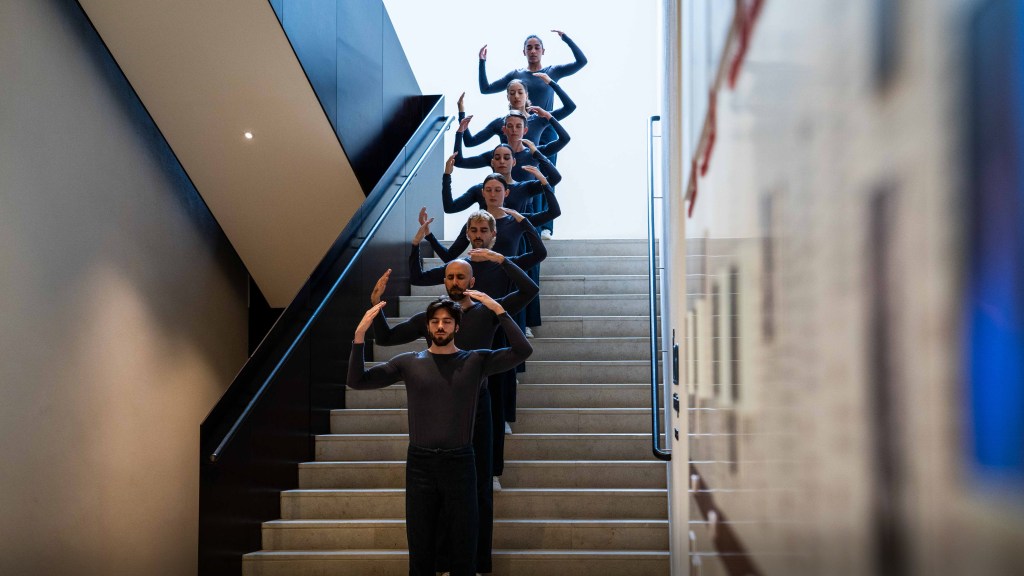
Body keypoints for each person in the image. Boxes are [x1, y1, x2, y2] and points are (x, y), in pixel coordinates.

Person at [369, 248, 538, 576]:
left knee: (477, 487)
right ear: (444, 281)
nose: (455, 281)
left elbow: (530, 290)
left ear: (471, 280)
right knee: (439, 495)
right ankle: (440, 561)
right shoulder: (434, 320)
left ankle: (474, 563)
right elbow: (387, 337)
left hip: (478, 409)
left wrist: (502, 263)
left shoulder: (486, 312)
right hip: (441, 414)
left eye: (461, 276)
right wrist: (375, 304)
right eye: (450, 277)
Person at [478, 31, 588, 114]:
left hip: (547, 129)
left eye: (537, 48)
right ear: (524, 52)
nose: (533, 51)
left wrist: (566, 39)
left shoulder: (552, 72)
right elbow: (485, 89)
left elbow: (581, 62)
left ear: (543, 51)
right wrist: (482, 62)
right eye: (529, 48)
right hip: (524, 131)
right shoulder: (515, 75)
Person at [457, 73, 576, 149]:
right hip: (505, 183)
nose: (516, 96)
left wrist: (551, 83)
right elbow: (470, 142)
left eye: (520, 92)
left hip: (531, 180)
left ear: (527, 95)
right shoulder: (500, 123)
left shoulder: (539, 119)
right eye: (512, 93)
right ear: (508, 97)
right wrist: (461, 113)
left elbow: (570, 107)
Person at [454, 110, 569, 184]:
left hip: (526, 214)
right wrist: (459, 133)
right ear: (504, 130)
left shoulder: (534, 153)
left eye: (518, 126)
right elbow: (459, 162)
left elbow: (565, 139)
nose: (514, 130)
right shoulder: (496, 155)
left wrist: (549, 116)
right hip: (498, 209)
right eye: (510, 126)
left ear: (525, 130)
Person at [442, 150, 559, 216]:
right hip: (487, 244)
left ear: (514, 162)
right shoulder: (479, 189)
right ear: (492, 162)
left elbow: (555, 178)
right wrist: (447, 175)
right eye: (497, 158)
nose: (502, 161)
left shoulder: (523, 188)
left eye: (506, 158)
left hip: (517, 245)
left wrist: (536, 153)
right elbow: (450, 208)